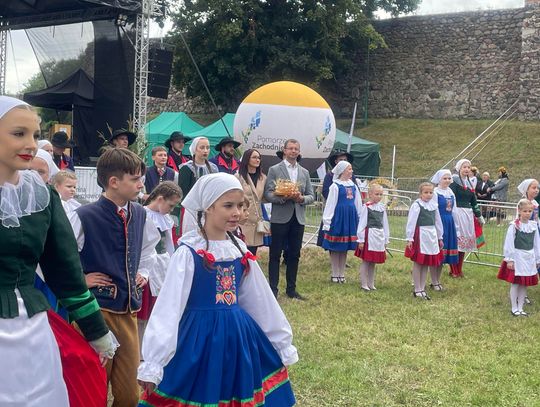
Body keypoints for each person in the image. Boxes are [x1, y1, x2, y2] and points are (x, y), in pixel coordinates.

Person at [137, 173, 297, 406]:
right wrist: (154, 361)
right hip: (198, 338)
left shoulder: (239, 250)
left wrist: (279, 341)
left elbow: (260, 300)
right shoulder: (189, 252)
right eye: (228, 205)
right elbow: (169, 307)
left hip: (238, 337)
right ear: (208, 207)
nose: (237, 212)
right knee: (199, 387)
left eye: (240, 206)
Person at [0, 95, 116, 406]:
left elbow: (65, 269)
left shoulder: (40, 195)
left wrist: (96, 331)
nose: (31, 144)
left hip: (30, 329)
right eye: (19, 133)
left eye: (35, 135)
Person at [70, 147, 160, 406]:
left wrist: (143, 272)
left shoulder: (141, 214)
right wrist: (82, 279)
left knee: (129, 393)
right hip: (95, 311)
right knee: (93, 386)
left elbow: (149, 249)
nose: (141, 184)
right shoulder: (84, 216)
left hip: (128, 312)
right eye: (135, 179)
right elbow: (59, 257)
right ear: (113, 182)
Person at [264, 139, 315, 300]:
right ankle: (273, 289)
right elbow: (268, 193)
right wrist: (282, 198)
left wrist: (301, 199)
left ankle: (291, 290)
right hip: (280, 217)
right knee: (275, 254)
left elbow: (311, 195)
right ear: (284, 150)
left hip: (298, 218)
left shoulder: (304, 172)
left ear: (299, 152)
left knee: (294, 254)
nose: (293, 151)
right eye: (290, 148)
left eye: (296, 149)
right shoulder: (274, 169)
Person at [138, 181, 182, 348]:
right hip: (146, 265)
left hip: (163, 264)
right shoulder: (142, 214)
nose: (171, 209)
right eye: (170, 205)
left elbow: (169, 243)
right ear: (160, 199)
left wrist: (173, 262)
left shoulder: (166, 219)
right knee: (143, 309)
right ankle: (140, 347)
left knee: (158, 308)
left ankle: (153, 345)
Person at [321, 161, 362, 283]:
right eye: (349, 169)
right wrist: (327, 222)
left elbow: (358, 203)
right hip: (338, 218)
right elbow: (330, 204)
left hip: (350, 218)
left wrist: (360, 217)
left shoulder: (353, 186)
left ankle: (341, 273)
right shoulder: (335, 186)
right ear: (342, 171)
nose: (351, 171)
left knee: (344, 248)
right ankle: (335, 273)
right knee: (335, 247)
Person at [497, 199, 540, 316]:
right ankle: (514, 308)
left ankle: (521, 307)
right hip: (518, 257)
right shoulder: (514, 226)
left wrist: (537, 259)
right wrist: (510, 259)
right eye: (525, 211)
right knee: (516, 283)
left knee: (524, 284)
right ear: (519, 211)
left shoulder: (533, 225)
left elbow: (537, 243)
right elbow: (509, 242)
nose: (527, 213)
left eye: (530, 211)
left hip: (529, 258)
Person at [405, 182, 444, 300]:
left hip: (431, 235)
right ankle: (417, 288)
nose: (428, 195)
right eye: (426, 192)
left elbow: (438, 222)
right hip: (420, 235)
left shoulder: (434, 206)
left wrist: (440, 237)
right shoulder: (417, 205)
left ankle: (422, 288)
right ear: (420, 193)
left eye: (431, 192)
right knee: (419, 262)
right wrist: (410, 238)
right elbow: (411, 222)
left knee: (426, 262)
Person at [449, 159, 485, 277]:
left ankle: (459, 269)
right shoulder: (454, 182)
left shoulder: (470, 183)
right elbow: (450, 198)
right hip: (457, 213)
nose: (467, 169)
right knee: (456, 243)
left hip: (467, 215)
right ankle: (454, 270)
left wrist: (479, 216)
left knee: (463, 245)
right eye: (464, 167)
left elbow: (473, 201)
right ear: (459, 168)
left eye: (468, 167)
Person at [178, 136, 218, 235]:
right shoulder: (187, 168)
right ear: (194, 149)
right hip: (191, 210)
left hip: (209, 209)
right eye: (202, 147)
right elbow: (183, 192)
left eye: (207, 148)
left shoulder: (213, 168)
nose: (205, 150)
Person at [317, 148, 357, 247]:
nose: (343, 161)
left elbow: (356, 191)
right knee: (333, 236)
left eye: (345, 159)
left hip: (347, 210)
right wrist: (338, 198)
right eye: (340, 160)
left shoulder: (351, 176)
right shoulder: (330, 175)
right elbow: (326, 191)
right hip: (335, 209)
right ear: (336, 161)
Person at [355, 183, 389, 291]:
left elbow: (385, 223)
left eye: (381, 194)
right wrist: (361, 239)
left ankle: (371, 283)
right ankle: (364, 283)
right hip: (369, 236)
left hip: (378, 236)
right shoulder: (366, 207)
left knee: (373, 262)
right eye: (376, 194)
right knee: (366, 261)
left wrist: (386, 239)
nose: (379, 196)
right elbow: (362, 223)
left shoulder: (382, 208)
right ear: (370, 194)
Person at [235, 148, 268, 254]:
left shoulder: (263, 178)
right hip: (243, 219)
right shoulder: (238, 177)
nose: (257, 160)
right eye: (254, 157)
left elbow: (265, 197)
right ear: (247, 159)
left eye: (259, 158)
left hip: (256, 219)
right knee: (241, 250)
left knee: (252, 252)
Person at [430, 169, 458, 291]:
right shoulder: (435, 192)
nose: (447, 180)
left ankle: (437, 280)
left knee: (443, 255)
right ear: (439, 179)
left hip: (449, 222)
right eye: (444, 178)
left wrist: (457, 228)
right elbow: (434, 210)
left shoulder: (451, 192)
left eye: (449, 178)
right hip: (439, 222)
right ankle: (433, 281)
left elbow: (454, 211)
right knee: (437, 252)